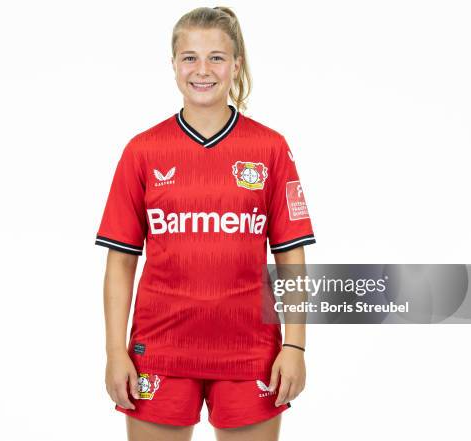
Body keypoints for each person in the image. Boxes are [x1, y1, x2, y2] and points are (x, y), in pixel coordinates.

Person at [95, 6, 316, 441]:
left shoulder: (270, 148)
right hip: (158, 352)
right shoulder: (143, 151)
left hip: (250, 352)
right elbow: (121, 262)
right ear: (173, 65)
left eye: (216, 57)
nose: (202, 69)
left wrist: (294, 345)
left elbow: (290, 255)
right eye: (190, 57)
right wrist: (113, 350)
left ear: (236, 64)